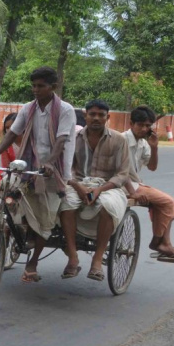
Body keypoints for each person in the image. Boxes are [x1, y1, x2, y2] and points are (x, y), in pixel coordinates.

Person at [0, 66, 76, 283]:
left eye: (40, 86)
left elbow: (61, 140)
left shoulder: (65, 110)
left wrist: (50, 163)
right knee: (5, 186)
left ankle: (33, 262)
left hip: (55, 170)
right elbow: (13, 133)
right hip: (28, 166)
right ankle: (4, 228)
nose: (35, 89)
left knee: (45, 217)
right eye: (33, 85)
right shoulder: (28, 108)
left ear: (54, 86)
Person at [59, 100, 130, 281]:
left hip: (108, 186)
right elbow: (65, 169)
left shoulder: (119, 140)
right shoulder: (73, 138)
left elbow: (122, 174)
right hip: (78, 183)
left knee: (108, 206)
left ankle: (97, 260)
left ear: (108, 117)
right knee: (65, 202)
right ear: (85, 116)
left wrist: (99, 190)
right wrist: (77, 186)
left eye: (101, 115)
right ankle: (73, 258)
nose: (96, 118)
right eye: (92, 114)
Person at [122, 106, 174, 261]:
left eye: (148, 126)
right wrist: (133, 191)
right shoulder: (121, 139)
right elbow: (118, 170)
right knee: (168, 201)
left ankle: (164, 242)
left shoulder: (144, 143)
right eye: (141, 125)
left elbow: (152, 167)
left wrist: (154, 147)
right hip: (122, 185)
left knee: (170, 204)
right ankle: (159, 243)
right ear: (131, 123)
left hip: (134, 183)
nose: (144, 129)